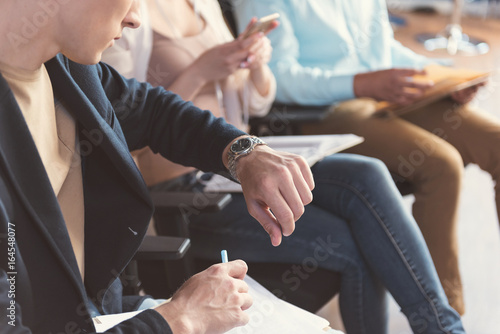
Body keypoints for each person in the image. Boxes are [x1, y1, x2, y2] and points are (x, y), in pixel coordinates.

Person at [100, 1, 468, 333]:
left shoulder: (203, 4)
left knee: (366, 173)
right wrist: (200, 71)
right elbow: (124, 140)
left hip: (236, 165)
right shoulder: (126, 16)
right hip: (186, 191)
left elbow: (259, 104)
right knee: (357, 242)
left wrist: (256, 66)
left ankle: (444, 328)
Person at [0, 0, 322, 333]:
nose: (136, 18)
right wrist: (178, 318)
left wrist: (243, 152)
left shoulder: (64, 65)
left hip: (107, 313)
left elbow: (152, 111)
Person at [231, 0, 500, 315]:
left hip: (384, 95)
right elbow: (279, 78)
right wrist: (360, 83)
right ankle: (445, 316)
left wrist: (443, 78)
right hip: (327, 108)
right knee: (441, 164)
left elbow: (383, 50)